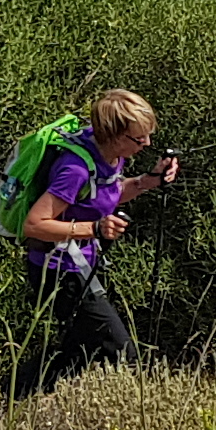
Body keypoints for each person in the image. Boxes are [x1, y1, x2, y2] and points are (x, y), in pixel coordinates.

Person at [16, 89, 182, 382]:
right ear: (114, 135)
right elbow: (35, 225)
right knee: (122, 353)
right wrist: (94, 228)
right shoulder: (75, 170)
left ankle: (0, 397)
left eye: (148, 135)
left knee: (78, 352)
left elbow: (108, 194)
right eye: (139, 138)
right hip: (58, 271)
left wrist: (148, 180)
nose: (147, 143)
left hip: (81, 264)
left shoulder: (109, 156)